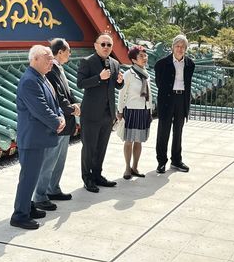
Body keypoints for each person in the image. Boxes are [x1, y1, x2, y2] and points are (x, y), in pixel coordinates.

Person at [11, 45, 65, 230]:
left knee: (33, 176)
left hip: (39, 137)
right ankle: (19, 215)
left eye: (51, 58)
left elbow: (54, 103)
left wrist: (61, 116)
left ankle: (27, 206)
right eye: (47, 58)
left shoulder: (41, 78)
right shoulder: (29, 81)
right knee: (28, 177)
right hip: (32, 138)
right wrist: (57, 122)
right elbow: (40, 109)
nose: (51, 61)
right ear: (34, 59)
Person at [32, 38, 81, 210]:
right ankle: (39, 195)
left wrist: (75, 105)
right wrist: (71, 109)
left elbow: (67, 92)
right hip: (57, 121)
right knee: (49, 160)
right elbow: (57, 97)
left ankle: (53, 188)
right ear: (60, 52)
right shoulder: (51, 70)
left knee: (59, 160)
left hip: (66, 120)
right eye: (68, 51)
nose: (70, 54)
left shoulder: (59, 69)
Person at [77, 33, 124, 192]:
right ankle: (87, 178)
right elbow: (80, 83)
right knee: (89, 147)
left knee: (101, 147)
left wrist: (120, 82)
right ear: (96, 45)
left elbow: (117, 87)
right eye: (103, 44)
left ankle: (98, 175)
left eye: (109, 45)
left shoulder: (115, 63)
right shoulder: (87, 62)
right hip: (90, 113)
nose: (106, 47)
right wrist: (99, 77)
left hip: (107, 113)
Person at [155, 34, 195, 174]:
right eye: (177, 46)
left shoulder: (190, 64)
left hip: (181, 99)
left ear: (185, 49)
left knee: (178, 131)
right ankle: (161, 162)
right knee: (163, 131)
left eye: (183, 47)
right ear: (172, 47)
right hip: (167, 99)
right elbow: (159, 84)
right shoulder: (161, 63)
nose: (180, 49)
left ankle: (176, 160)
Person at [117, 45, 153, 180]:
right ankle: (127, 167)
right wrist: (120, 111)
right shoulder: (128, 74)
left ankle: (135, 167)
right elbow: (122, 94)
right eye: (141, 56)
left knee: (139, 141)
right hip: (131, 110)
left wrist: (150, 109)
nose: (144, 58)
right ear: (133, 59)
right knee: (129, 141)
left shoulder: (146, 74)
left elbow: (149, 94)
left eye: (145, 55)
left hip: (144, 110)